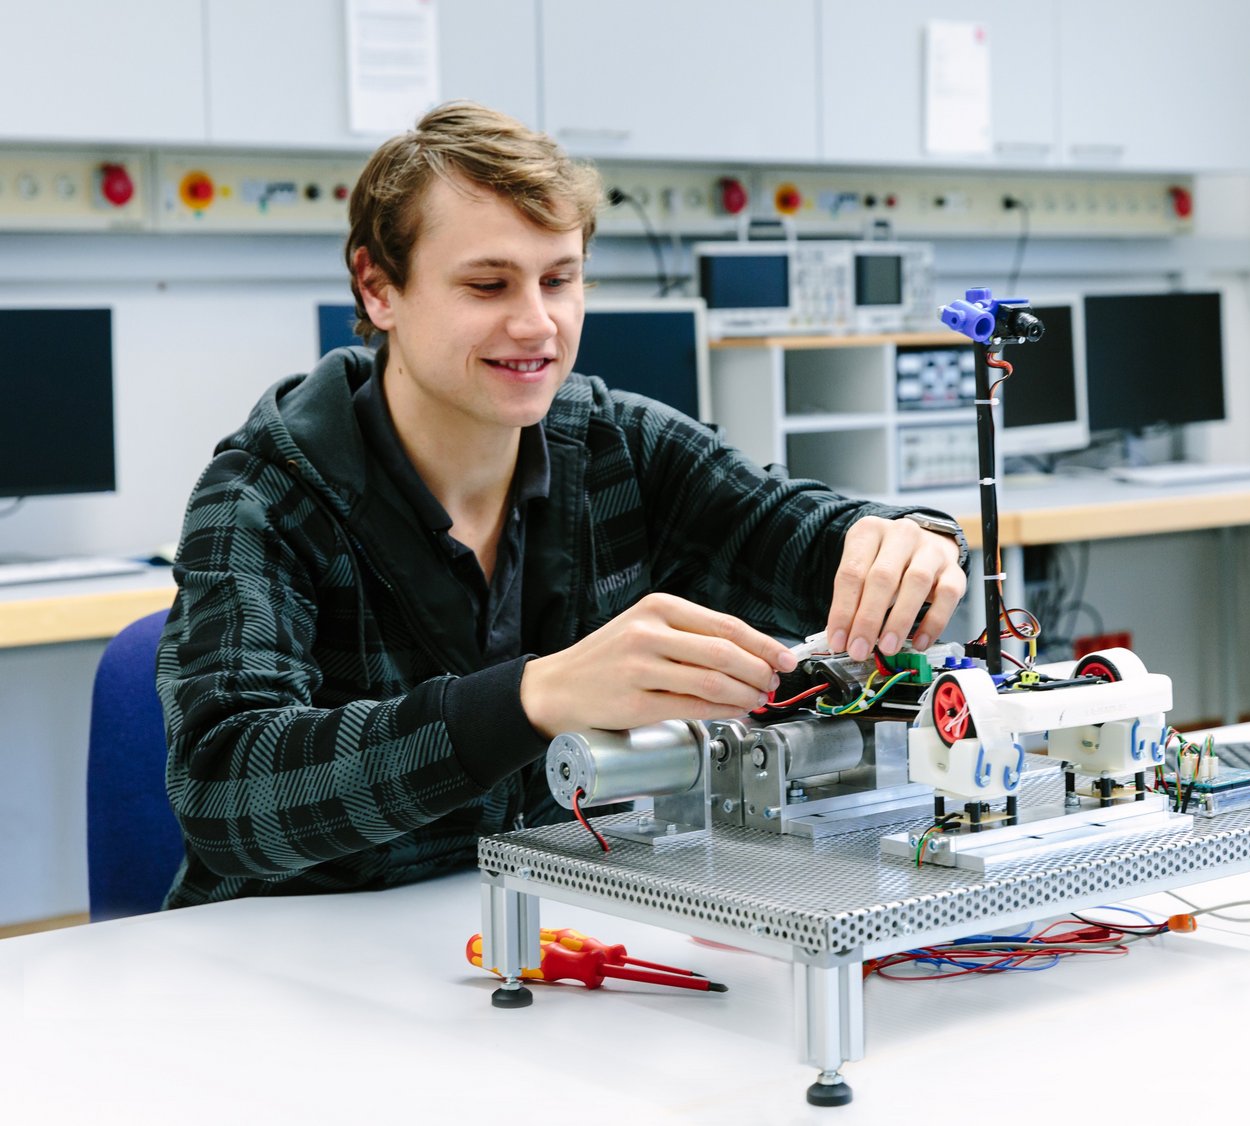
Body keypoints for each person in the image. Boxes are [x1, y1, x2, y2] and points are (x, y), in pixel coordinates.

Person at [156, 101, 968, 908]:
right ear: (378, 288)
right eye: (487, 284)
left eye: (559, 279)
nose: (536, 323)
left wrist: (907, 541)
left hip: (548, 922)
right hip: (297, 955)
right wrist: (530, 698)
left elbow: (795, 534)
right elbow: (223, 793)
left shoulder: (620, 446)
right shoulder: (263, 495)